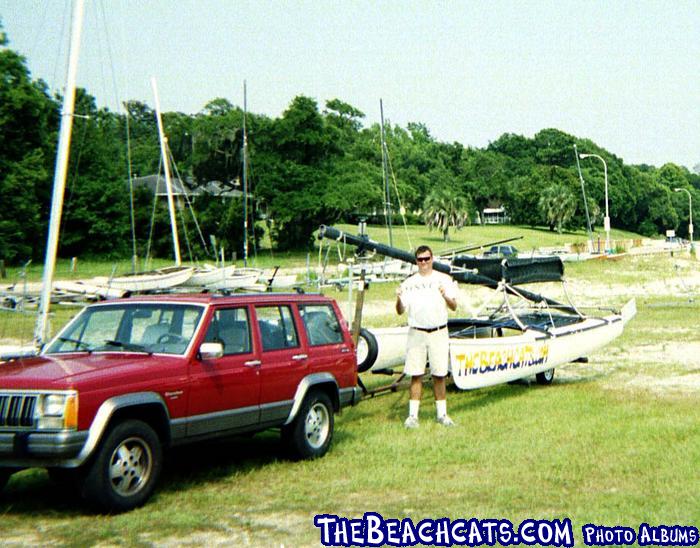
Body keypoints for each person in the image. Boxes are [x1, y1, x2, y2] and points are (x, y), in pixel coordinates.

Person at [396, 245, 458, 428]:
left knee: (439, 374)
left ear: (432, 259)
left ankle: (442, 415)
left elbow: (454, 306)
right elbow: (400, 311)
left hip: (438, 332)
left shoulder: (444, 279)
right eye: (420, 259)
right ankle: (413, 416)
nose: (424, 263)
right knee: (416, 374)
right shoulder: (409, 283)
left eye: (427, 259)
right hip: (417, 332)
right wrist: (398, 298)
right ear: (416, 261)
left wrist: (445, 295)